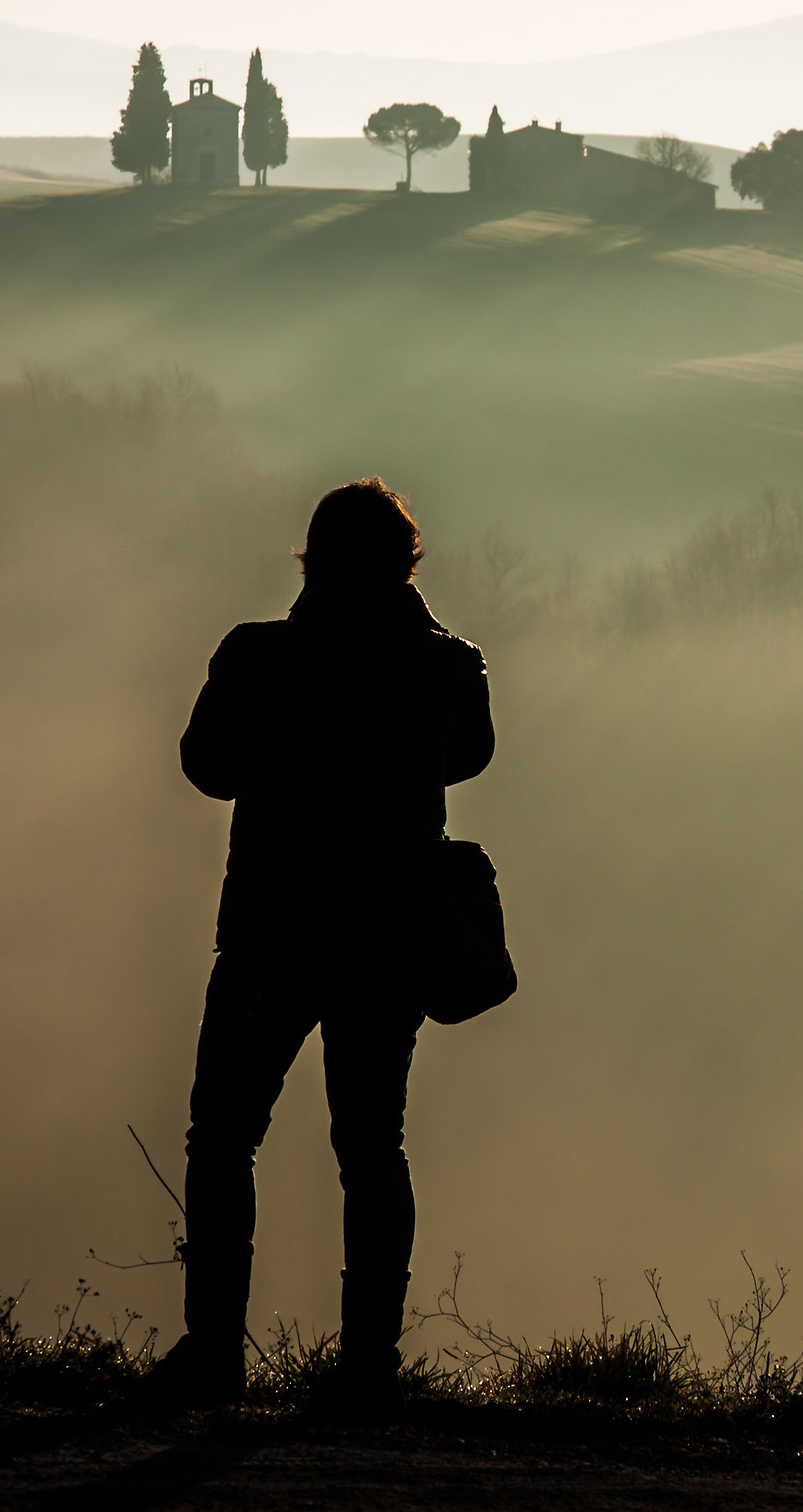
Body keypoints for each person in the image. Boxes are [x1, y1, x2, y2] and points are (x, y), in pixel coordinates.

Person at [155, 479, 495, 1402]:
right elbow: (471, 753)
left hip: (273, 926)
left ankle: (214, 1351)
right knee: (373, 1144)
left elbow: (206, 765)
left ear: (313, 558)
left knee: (224, 1136)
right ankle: (367, 1369)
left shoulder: (260, 656)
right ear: (407, 562)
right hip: (390, 933)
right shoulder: (450, 667)